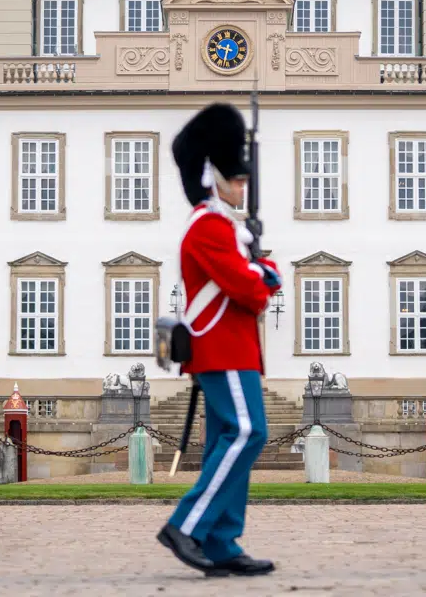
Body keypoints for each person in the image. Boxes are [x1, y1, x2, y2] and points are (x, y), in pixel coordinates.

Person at [156, 103, 281, 577]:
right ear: (213, 174)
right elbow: (250, 289)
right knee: (248, 433)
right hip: (222, 348)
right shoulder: (209, 226)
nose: (243, 183)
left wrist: (255, 260)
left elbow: (250, 278)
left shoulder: (223, 226)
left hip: (231, 349)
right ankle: (187, 524)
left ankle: (222, 540)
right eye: (236, 176)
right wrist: (265, 270)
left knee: (225, 442)